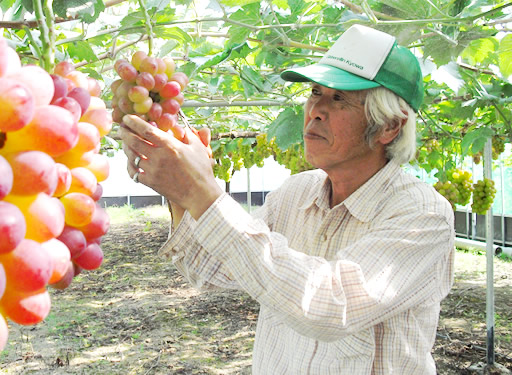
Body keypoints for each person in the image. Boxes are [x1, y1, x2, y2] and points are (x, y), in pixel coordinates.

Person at [118, 24, 455, 374]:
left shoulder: (423, 216)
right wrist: (179, 192)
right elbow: (215, 269)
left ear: (389, 126)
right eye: (315, 92)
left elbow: (328, 307)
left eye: (339, 98)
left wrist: (201, 192)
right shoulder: (296, 192)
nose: (315, 111)